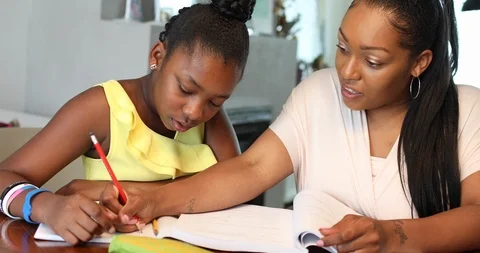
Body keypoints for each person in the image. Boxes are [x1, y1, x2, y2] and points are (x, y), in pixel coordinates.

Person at [101, 0, 480, 252]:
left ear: (420, 62)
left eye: (373, 62)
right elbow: (252, 168)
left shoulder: (466, 110)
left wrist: (392, 236)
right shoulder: (317, 94)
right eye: (343, 47)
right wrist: (154, 200)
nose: (347, 72)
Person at [0, 0, 256, 245]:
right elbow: (4, 176)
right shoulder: (102, 109)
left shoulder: (212, 120)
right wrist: (45, 205)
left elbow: (236, 187)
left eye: (215, 102)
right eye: (185, 89)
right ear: (157, 55)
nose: (195, 112)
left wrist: (115, 189)